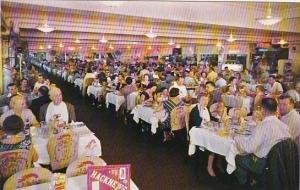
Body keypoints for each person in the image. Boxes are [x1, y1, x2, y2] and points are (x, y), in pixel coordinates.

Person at [234, 98, 291, 185]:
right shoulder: (284, 126)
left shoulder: (263, 126)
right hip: (280, 163)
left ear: (262, 110)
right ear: (276, 109)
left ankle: (244, 184)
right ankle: (254, 180)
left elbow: (248, 148)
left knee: (238, 157)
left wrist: (236, 137)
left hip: (263, 164)